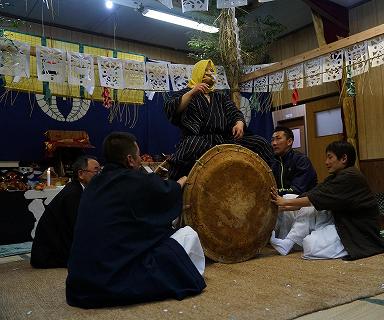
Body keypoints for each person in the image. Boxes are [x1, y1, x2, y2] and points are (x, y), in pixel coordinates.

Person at [66, 132, 206, 308]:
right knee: (188, 235)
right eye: (139, 156)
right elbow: (167, 193)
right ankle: (192, 272)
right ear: (130, 159)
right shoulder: (136, 179)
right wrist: (183, 180)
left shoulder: (93, 184)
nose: (141, 160)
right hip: (110, 281)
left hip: (79, 283)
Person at [270, 140, 384, 260]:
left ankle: (308, 242)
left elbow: (315, 199)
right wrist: (279, 206)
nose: (326, 162)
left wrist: (284, 203)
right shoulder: (335, 176)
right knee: (289, 197)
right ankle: (288, 242)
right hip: (339, 220)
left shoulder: (351, 176)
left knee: (310, 246)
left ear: (343, 158)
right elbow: (312, 195)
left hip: (356, 230)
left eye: (330, 157)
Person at [164, 59, 274, 180]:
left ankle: (269, 183)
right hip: (198, 139)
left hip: (223, 139)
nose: (209, 72)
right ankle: (174, 185)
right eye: (205, 70)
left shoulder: (220, 97)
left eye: (212, 70)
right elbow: (172, 108)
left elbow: (234, 112)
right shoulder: (186, 93)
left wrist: (239, 123)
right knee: (191, 146)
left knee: (260, 143)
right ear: (198, 72)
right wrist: (193, 92)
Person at [30, 155, 100, 268]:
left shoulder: (79, 189)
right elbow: (76, 227)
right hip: (50, 253)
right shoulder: (72, 194)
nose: (99, 175)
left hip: (60, 242)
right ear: (81, 174)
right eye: (96, 171)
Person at [271, 126, 317, 238]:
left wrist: (276, 193)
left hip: (306, 205)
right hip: (284, 202)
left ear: (289, 141)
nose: (274, 143)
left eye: (278, 139)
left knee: (287, 198)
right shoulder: (274, 164)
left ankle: (287, 240)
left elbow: (298, 189)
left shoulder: (301, 160)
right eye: (272, 140)